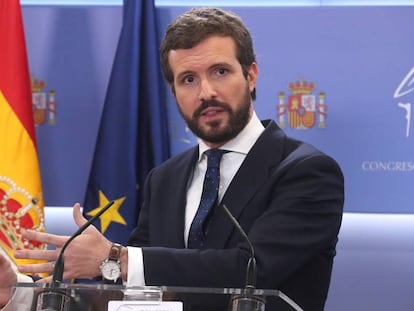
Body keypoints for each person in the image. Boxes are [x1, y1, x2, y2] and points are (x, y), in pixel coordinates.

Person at [15, 7, 344, 311]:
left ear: (251, 75)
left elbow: (249, 270)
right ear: (173, 92)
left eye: (220, 71)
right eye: (188, 79)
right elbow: (134, 297)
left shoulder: (307, 172)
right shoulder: (165, 178)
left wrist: (116, 257)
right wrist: (21, 296)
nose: (206, 92)